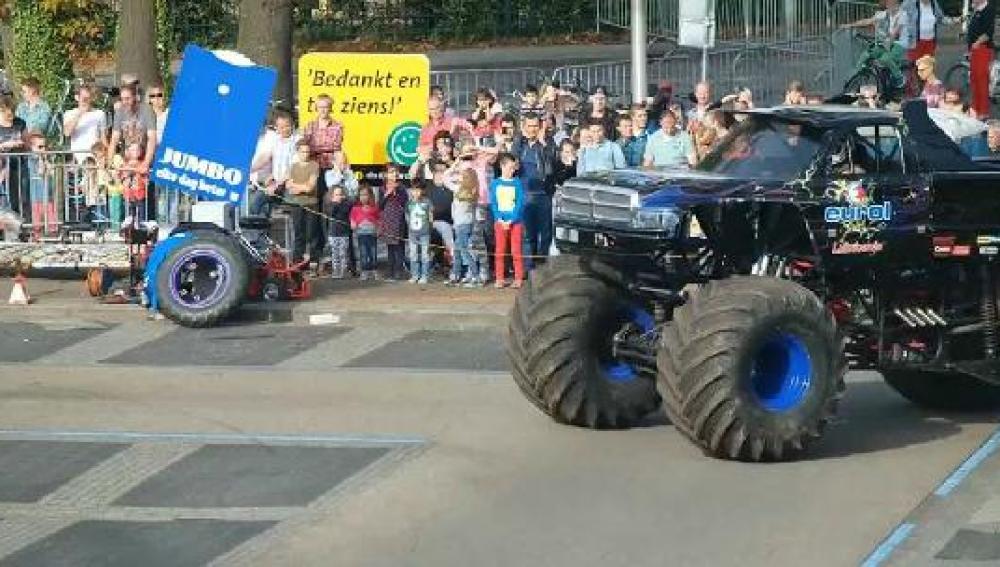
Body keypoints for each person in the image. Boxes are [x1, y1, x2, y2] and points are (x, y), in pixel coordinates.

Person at [302, 93, 345, 262]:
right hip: (314, 171)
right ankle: (316, 251)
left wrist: (316, 149)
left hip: (330, 172)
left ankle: (331, 248)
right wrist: (318, 150)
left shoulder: (338, 126)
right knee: (315, 210)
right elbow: (305, 147)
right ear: (316, 108)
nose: (323, 110)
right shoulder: (309, 126)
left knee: (330, 208)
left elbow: (335, 146)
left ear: (330, 107)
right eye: (320, 107)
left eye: (326, 107)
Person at [511, 113, 555, 265]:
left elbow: (551, 167)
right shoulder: (519, 144)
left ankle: (542, 266)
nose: (532, 129)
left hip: (544, 195)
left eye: (535, 126)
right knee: (527, 234)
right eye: (529, 126)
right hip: (524, 194)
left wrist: (543, 144)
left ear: (541, 126)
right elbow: (511, 165)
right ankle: (529, 268)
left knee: (545, 234)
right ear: (524, 127)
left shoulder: (548, 143)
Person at [108, 84, 156, 220]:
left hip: (144, 160)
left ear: (136, 97)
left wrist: (146, 163)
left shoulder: (146, 110)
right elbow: (114, 139)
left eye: (128, 98)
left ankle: (147, 230)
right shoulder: (120, 112)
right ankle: (129, 230)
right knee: (129, 201)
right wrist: (109, 163)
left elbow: (152, 138)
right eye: (123, 99)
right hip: (128, 164)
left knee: (145, 203)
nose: (125, 102)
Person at [842, 0, 911, 91]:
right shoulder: (884, 14)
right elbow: (868, 21)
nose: (888, 4)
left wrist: (886, 43)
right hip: (886, 42)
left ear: (897, 3)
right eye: (887, 2)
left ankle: (899, 78)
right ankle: (858, 75)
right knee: (866, 54)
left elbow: (895, 33)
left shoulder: (903, 15)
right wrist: (850, 25)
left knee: (885, 59)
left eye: (891, 2)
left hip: (899, 44)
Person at [249, 111, 299, 217]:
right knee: (255, 205)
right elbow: (265, 157)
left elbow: (294, 169)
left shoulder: (298, 141)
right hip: (275, 183)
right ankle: (260, 233)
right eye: (281, 127)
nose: (284, 129)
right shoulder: (275, 140)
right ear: (276, 127)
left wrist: (276, 185)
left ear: (292, 125)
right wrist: (248, 169)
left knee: (287, 208)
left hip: (289, 183)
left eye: (287, 126)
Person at [490, 153, 525, 289]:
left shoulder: (517, 183)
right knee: (500, 250)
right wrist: (500, 219)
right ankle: (500, 278)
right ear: (502, 166)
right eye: (510, 168)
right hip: (500, 221)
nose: (512, 171)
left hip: (515, 222)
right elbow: (494, 203)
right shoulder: (495, 183)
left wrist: (511, 220)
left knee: (516, 250)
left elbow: (519, 203)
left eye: (514, 168)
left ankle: (518, 278)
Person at [286, 140, 319, 263]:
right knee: (299, 234)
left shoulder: (314, 165)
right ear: (298, 152)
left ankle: (313, 261)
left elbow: (310, 187)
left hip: (311, 204)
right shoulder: (293, 166)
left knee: (311, 234)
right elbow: (289, 186)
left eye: (307, 151)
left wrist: (297, 187)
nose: (306, 154)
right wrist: (301, 187)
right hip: (297, 204)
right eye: (303, 151)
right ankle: (297, 261)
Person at [427, 159, 457, 281]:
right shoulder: (427, 186)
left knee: (446, 228)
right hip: (428, 223)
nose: (440, 173)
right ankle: (424, 269)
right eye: (437, 171)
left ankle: (454, 268)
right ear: (433, 172)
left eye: (443, 171)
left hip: (448, 223)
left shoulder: (452, 187)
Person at [967, 0, 996, 119]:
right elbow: (973, 27)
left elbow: (988, 32)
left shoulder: (988, 9)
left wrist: (977, 43)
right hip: (975, 50)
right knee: (974, 80)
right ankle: (975, 108)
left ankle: (983, 112)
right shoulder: (977, 8)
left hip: (983, 49)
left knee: (982, 81)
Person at [64, 85, 107, 164]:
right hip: (77, 159)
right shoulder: (69, 113)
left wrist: (104, 157)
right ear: (77, 98)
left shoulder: (100, 114)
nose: (85, 101)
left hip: (95, 159)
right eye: (83, 98)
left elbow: (103, 138)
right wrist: (80, 113)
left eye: (88, 98)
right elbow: (67, 133)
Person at [379, 164, 408, 280]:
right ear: (386, 174)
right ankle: (390, 271)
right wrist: (387, 194)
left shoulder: (401, 187)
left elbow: (404, 202)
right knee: (390, 247)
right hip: (388, 220)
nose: (393, 174)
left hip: (399, 220)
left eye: (395, 172)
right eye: (390, 172)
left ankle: (399, 271)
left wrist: (396, 192)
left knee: (399, 246)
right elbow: (380, 205)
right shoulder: (382, 188)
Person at [452, 169, 480, 286]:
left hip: (463, 225)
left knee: (464, 251)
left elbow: (447, 179)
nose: (460, 178)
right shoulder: (467, 190)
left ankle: (475, 276)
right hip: (460, 223)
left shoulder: (466, 192)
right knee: (458, 251)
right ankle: (456, 275)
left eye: (463, 177)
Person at [26, 133, 55, 239]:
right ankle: (36, 239)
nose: (43, 149)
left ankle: (53, 239)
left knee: (52, 222)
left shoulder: (45, 159)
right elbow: (40, 172)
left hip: (48, 196)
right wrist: (42, 160)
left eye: (45, 146)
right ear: (32, 147)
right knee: (37, 223)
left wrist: (45, 159)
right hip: (36, 197)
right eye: (40, 147)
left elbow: (52, 172)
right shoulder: (31, 159)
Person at [0, 96, 26, 214]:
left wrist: (22, 144)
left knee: (16, 199)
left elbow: (27, 142)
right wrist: (4, 145)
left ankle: (15, 229)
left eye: (12, 112)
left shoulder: (20, 123)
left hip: (17, 166)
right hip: (1, 166)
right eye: (8, 113)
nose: (11, 116)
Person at [406, 179, 433, 284]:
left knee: (425, 254)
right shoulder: (409, 203)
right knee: (413, 254)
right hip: (412, 233)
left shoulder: (427, 202)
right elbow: (407, 216)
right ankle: (415, 275)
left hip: (425, 233)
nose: (416, 192)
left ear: (422, 190)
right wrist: (410, 228)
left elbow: (431, 216)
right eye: (413, 190)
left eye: (418, 190)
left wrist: (430, 227)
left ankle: (424, 275)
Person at [351, 185, 380, 281]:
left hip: (372, 235)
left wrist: (379, 229)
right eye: (361, 195)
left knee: (373, 253)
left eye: (366, 195)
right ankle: (364, 271)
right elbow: (352, 218)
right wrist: (353, 223)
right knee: (363, 254)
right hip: (361, 235)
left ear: (370, 196)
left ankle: (374, 270)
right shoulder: (355, 208)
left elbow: (379, 219)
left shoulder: (374, 208)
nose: (363, 197)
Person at [326, 186, 352, 279]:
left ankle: (343, 271)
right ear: (332, 196)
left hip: (343, 234)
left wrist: (341, 202)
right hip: (333, 234)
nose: (338, 196)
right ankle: (336, 271)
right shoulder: (330, 205)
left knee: (343, 253)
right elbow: (331, 213)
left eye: (340, 194)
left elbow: (345, 211)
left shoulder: (346, 204)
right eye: (336, 195)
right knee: (335, 253)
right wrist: (335, 203)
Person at [118, 142, 148, 222]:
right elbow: (120, 177)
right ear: (128, 151)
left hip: (140, 193)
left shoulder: (143, 163)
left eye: (137, 149)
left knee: (142, 217)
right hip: (128, 194)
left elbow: (146, 176)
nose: (135, 151)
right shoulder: (124, 164)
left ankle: (141, 230)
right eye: (133, 150)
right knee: (130, 217)